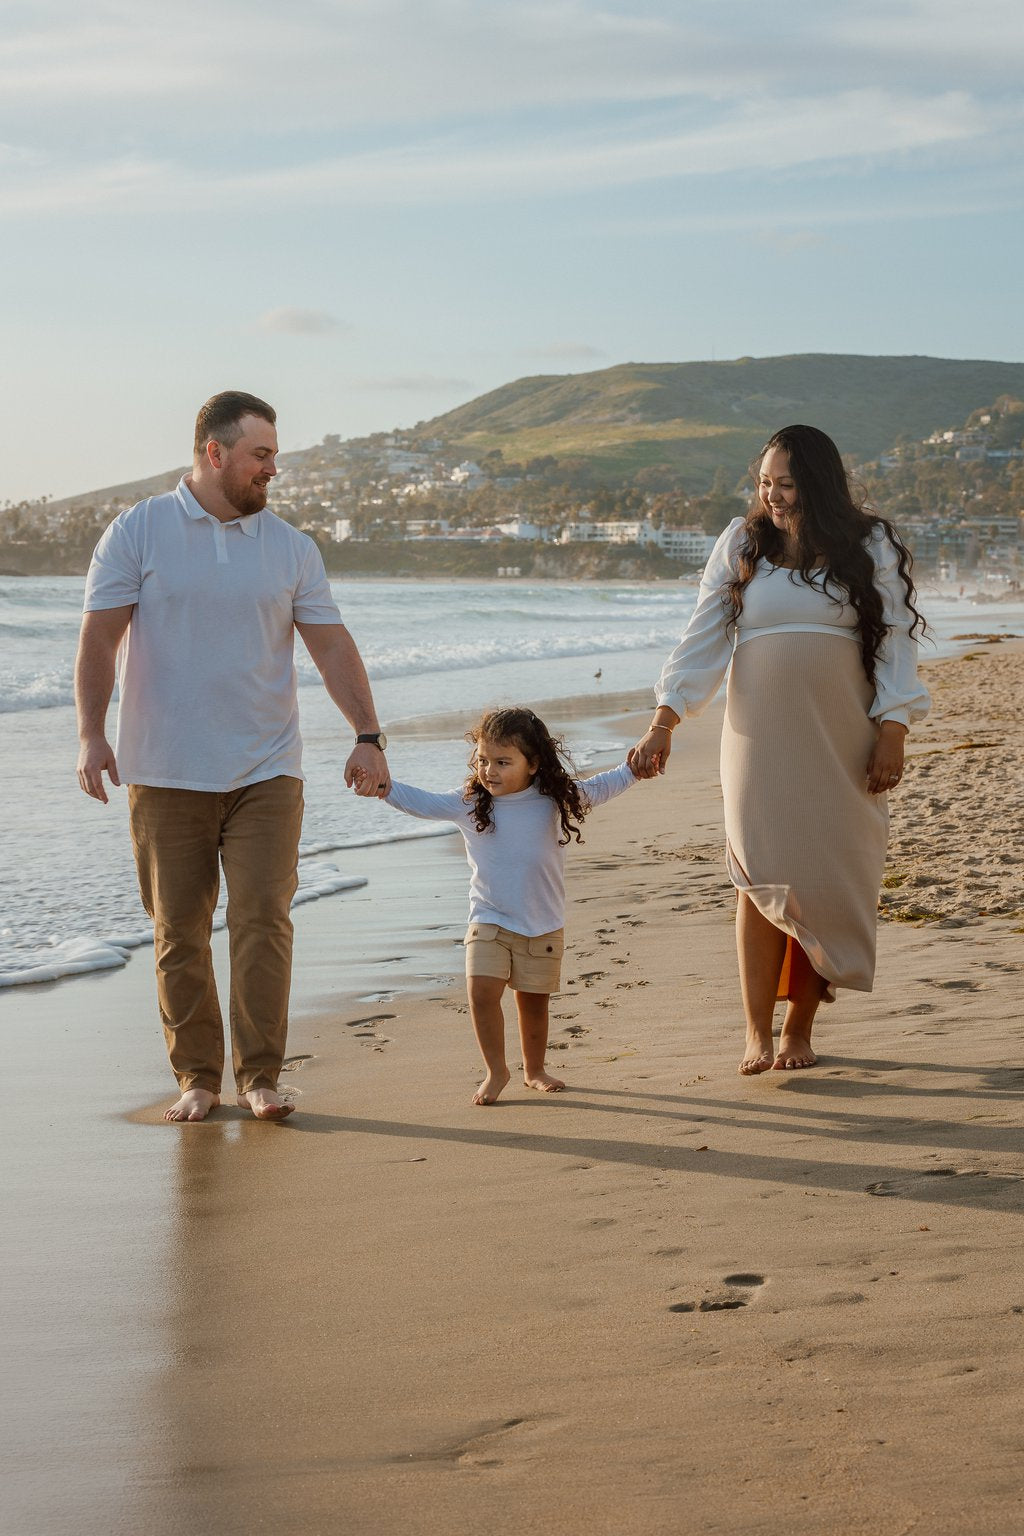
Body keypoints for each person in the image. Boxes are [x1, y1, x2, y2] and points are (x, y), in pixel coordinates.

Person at [75, 390, 390, 1122]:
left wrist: (368, 736)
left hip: (266, 768)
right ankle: (197, 1078)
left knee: (262, 918)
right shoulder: (138, 531)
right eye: (261, 455)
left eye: (274, 455)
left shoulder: (290, 547)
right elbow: (99, 639)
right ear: (214, 454)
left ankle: (260, 1077)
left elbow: (331, 645)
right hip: (162, 769)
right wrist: (92, 732)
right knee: (178, 929)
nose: (273, 470)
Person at [630, 424, 929, 1075]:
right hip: (758, 740)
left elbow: (898, 639)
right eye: (765, 483)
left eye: (786, 484)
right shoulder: (742, 543)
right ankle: (755, 1032)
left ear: (818, 485)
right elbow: (703, 634)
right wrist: (665, 719)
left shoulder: (867, 543)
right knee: (758, 874)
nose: (773, 496)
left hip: (842, 735)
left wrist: (895, 728)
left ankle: (799, 1028)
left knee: (827, 876)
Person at [358, 707, 640, 1105]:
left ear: (533, 763)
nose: (489, 770)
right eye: (483, 760)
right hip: (488, 918)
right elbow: (423, 802)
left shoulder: (553, 800)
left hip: (542, 922)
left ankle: (534, 1069)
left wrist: (636, 766)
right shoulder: (470, 803)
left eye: (503, 762)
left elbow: (603, 785)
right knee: (481, 993)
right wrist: (384, 786)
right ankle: (496, 1070)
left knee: (533, 1003)